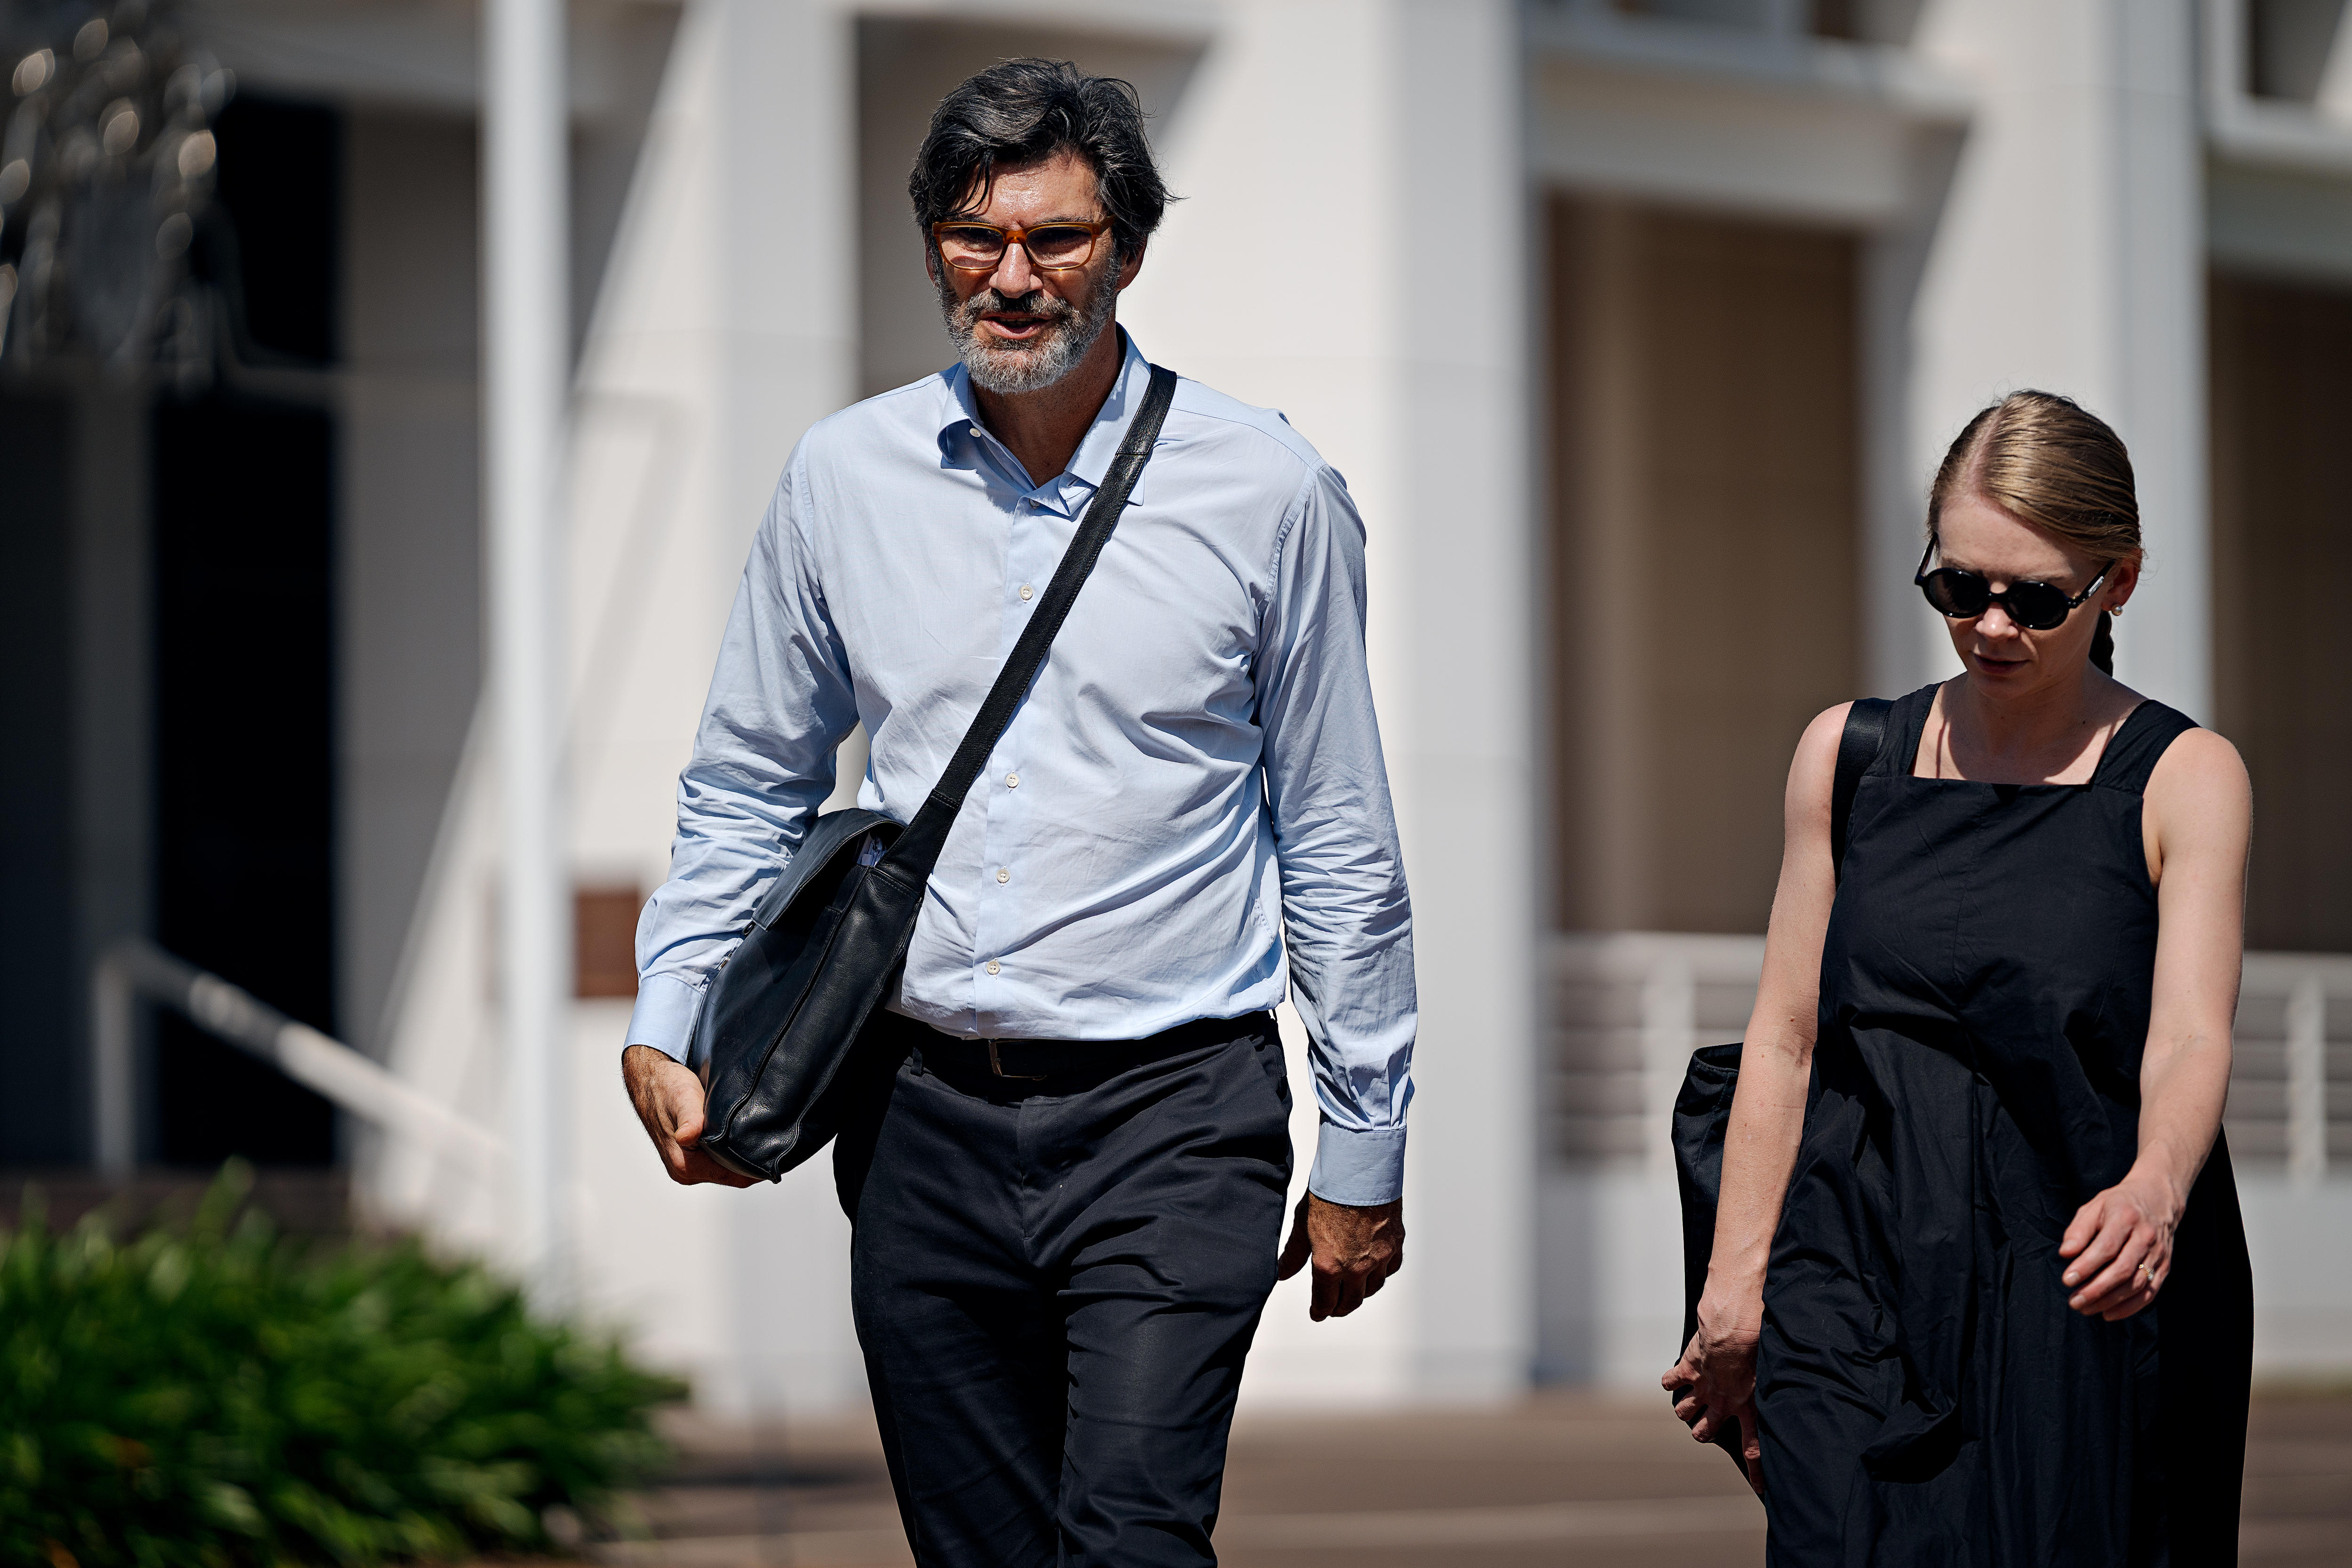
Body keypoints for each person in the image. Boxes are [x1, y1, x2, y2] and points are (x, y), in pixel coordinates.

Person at [616, 59, 1414, 1568]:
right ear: (932, 247)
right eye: (976, 238)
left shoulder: (1267, 491)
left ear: (1125, 248)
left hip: (1177, 1115)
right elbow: (749, 781)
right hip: (918, 1120)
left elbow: (1338, 836)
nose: (1014, 276)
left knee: (1129, 1540)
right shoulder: (842, 479)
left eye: (1056, 239)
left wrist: (1364, 1148)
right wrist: (674, 1005)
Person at [1663, 391, 2255, 1563]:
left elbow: (2190, 1035)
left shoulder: (2185, 775)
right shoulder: (1850, 755)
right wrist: (1733, 1289)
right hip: (1853, 1267)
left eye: (2035, 597)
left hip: (2076, 1275)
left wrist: (2153, 1190)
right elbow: (1782, 1039)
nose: (1990, 625)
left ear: (2118, 582)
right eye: (1956, 586)